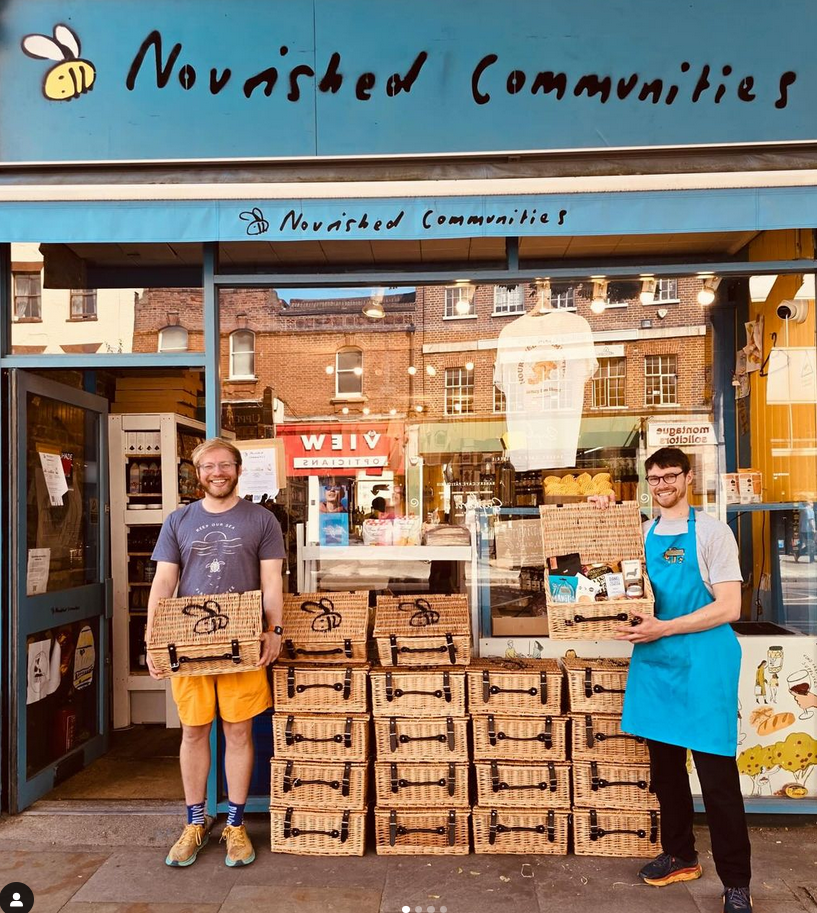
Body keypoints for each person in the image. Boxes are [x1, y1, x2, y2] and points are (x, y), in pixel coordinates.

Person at [592, 447, 752, 913]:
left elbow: (729, 607)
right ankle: (681, 855)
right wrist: (602, 513)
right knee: (665, 775)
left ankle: (736, 883)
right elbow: (607, 572)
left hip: (704, 665)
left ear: (687, 477)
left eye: (670, 476)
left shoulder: (712, 533)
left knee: (717, 780)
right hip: (657, 664)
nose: (662, 485)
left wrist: (665, 627)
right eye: (654, 479)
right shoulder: (641, 533)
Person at [146, 438, 284, 868]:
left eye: (225, 465)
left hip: (241, 641)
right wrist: (153, 638)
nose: (217, 472)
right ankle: (194, 822)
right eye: (208, 466)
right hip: (187, 643)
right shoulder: (178, 520)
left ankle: (236, 825)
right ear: (197, 473)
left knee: (239, 732)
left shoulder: (262, 519)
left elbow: (273, 581)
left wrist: (275, 630)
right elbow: (164, 582)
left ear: (238, 469)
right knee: (192, 731)